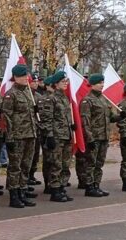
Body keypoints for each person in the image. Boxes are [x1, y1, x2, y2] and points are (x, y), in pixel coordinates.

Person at [80, 73, 126, 197]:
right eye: (99, 83)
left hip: (104, 136)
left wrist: (119, 117)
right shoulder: (87, 100)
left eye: (102, 83)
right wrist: (89, 138)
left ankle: (96, 185)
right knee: (91, 163)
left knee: (99, 163)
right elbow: (85, 121)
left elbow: (109, 117)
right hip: (94, 137)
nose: (102, 85)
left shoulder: (104, 99)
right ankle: (89, 186)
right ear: (92, 85)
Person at [2, 64, 38, 208]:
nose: (26, 78)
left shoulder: (28, 93)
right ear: (16, 77)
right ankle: (14, 195)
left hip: (29, 134)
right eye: (23, 76)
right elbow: (7, 117)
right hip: (17, 136)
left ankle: (22, 191)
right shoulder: (11, 94)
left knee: (26, 165)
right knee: (15, 167)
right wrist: (9, 137)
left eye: (26, 75)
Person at [40, 71, 74, 202]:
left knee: (65, 164)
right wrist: (49, 136)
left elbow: (65, 116)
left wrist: (71, 127)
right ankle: (54, 190)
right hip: (56, 136)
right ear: (56, 84)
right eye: (63, 81)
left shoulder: (64, 98)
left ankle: (61, 187)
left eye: (66, 81)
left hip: (66, 135)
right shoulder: (51, 98)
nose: (66, 83)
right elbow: (47, 119)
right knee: (56, 164)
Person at [27, 74, 44, 186]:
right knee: (28, 155)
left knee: (36, 154)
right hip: (28, 129)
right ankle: (27, 177)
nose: (36, 83)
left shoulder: (38, 96)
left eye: (37, 81)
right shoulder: (27, 95)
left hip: (37, 129)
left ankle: (32, 174)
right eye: (34, 81)